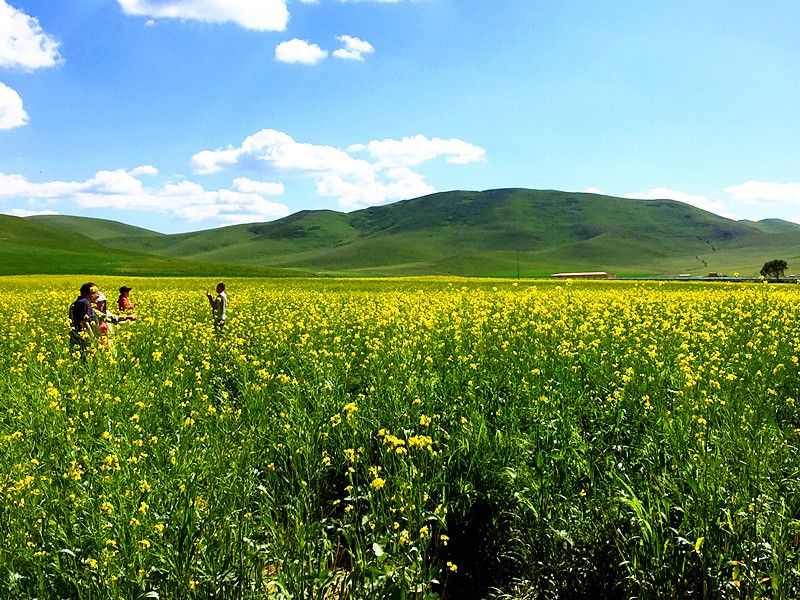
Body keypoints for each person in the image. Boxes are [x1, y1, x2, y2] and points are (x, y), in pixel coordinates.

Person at [94, 290, 135, 355]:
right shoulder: (94, 312)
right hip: (99, 342)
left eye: (103, 302)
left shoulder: (107, 312)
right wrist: (127, 317)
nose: (102, 305)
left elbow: (116, 321)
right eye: (99, 302)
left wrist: (129, 322)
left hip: (110, 341)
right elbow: (112, 318)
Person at [69, 282, 99, 352]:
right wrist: (92, 338)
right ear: (90, 293)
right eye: (96, 293)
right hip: (83, 339)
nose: (98, 296)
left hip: (76, 337)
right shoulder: (85, 303)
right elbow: (84, 322)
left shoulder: (78, 302)